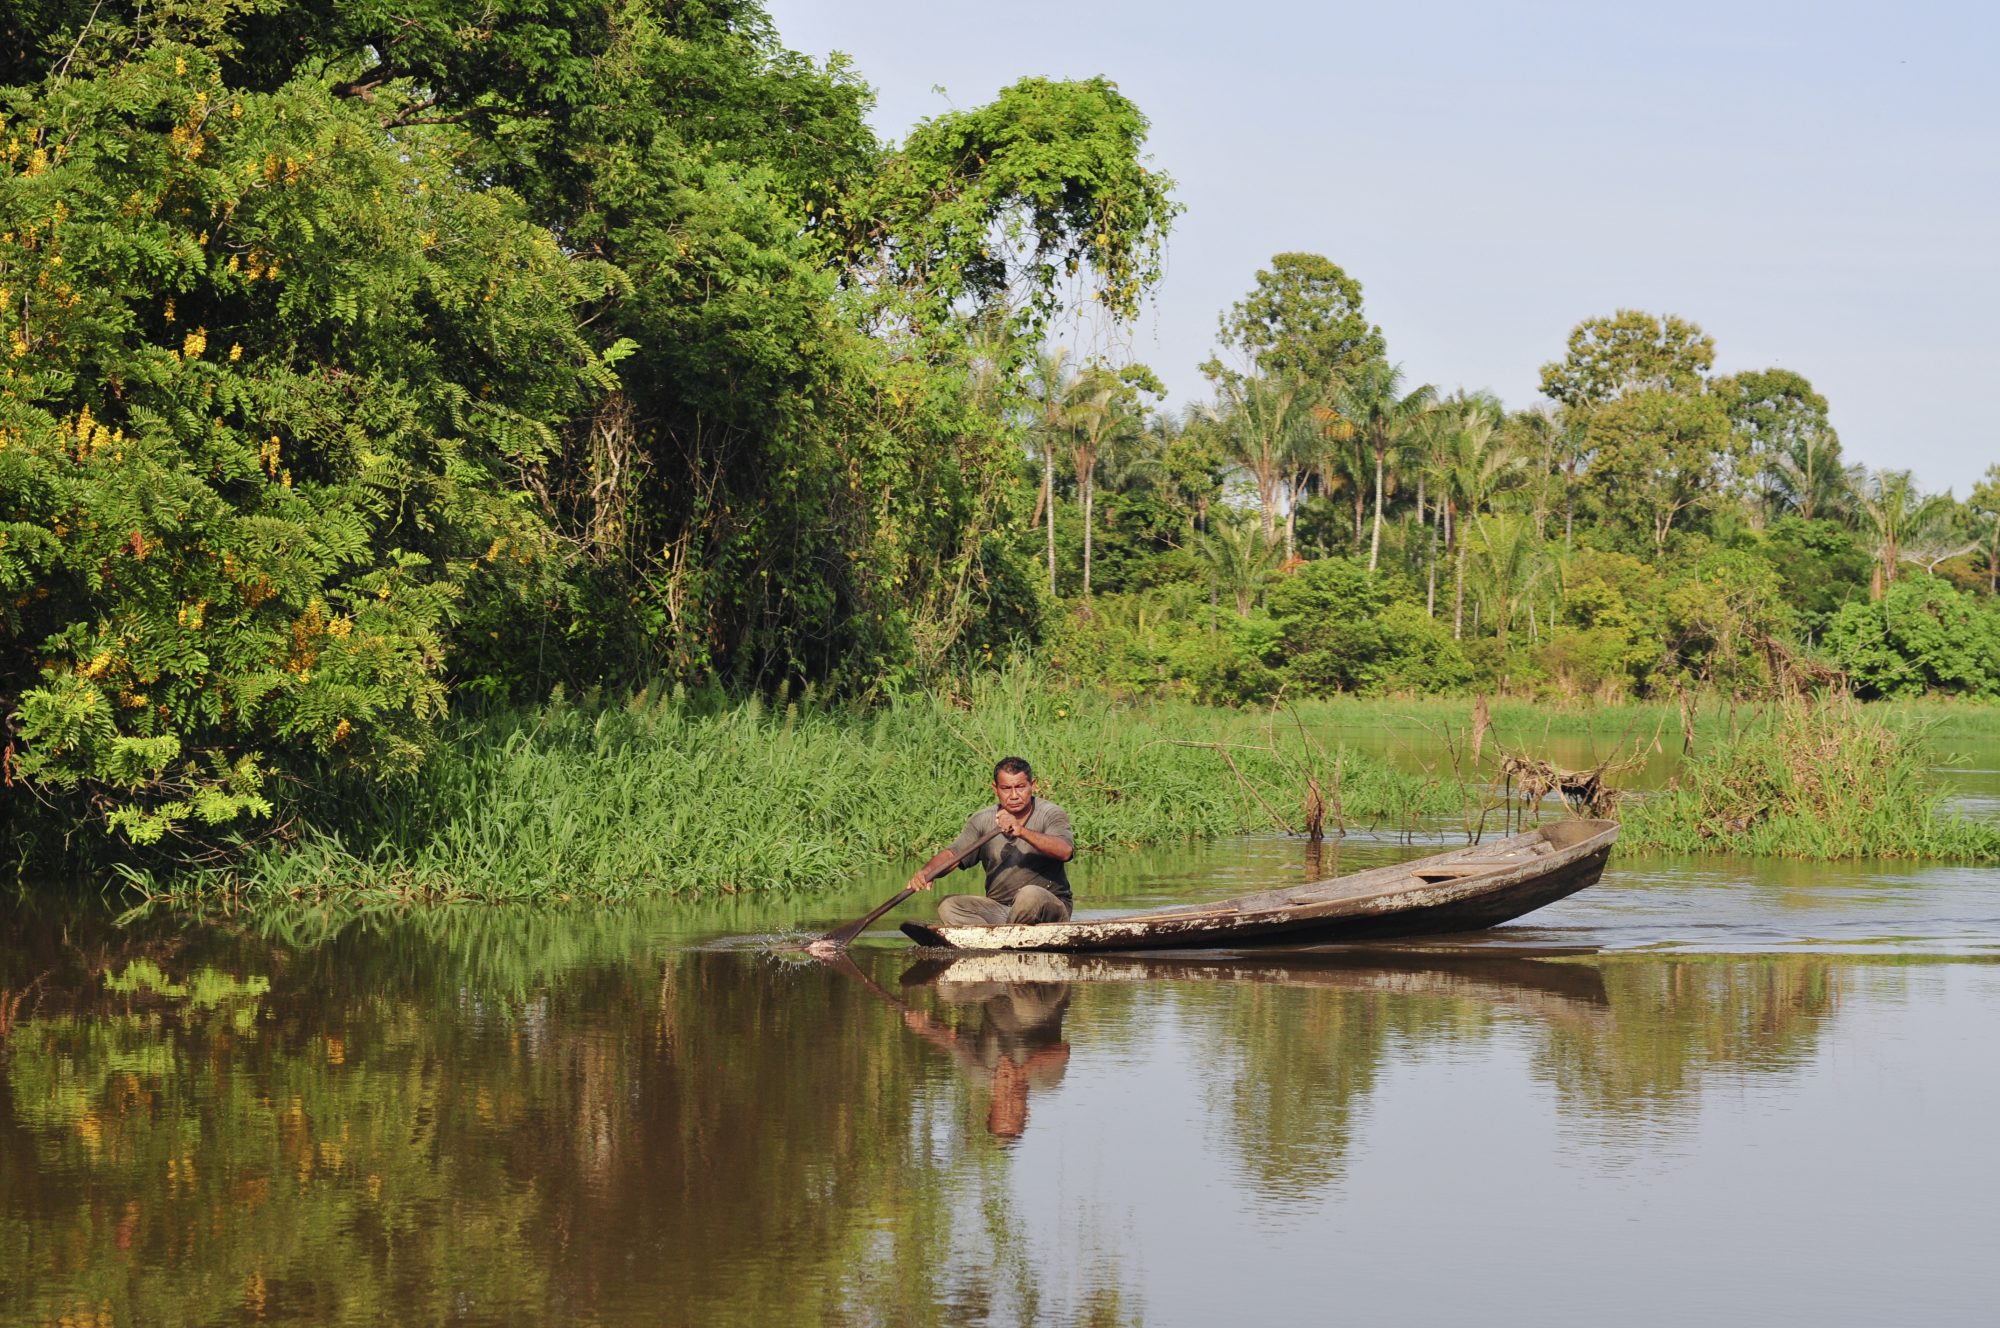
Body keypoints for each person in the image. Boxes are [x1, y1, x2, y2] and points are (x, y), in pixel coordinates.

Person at [909, 757, 1075, 925]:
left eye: (1020, 787)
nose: (1014, 796)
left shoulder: (1051, 813)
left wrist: (1021, 831)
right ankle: (994, 938)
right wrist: (927, 872)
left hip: (1048, 908)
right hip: (1001, 910)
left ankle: (1006, 938)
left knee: (1029, 895)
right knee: (949, 906)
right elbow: (953, 855)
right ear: (995, 789)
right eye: (1006, 789)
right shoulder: (982, 820)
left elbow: (1065, 851)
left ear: (1033, 785)